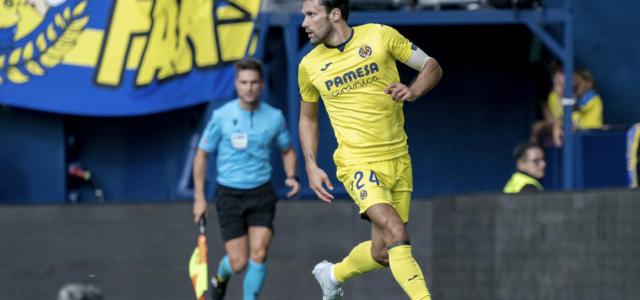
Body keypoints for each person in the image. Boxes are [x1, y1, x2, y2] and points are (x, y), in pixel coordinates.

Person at [298, 0, 443, 299]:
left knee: (383, 252)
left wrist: (413, 90)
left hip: (399, 159)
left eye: (311, 15)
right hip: (357, 164)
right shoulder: (308, 65)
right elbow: (307, 118)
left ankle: (332, 274)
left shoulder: (380, 36)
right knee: (397, 232)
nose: (305, 23)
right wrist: (311, 165)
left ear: (334, 14)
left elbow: (432, 66)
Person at [192, 58, 301, 300]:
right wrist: (199, 198)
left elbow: (287, 150)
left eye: (253, 82)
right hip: (229, 195)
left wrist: (292, 176)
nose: (249, 87)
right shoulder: (221, 116)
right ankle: (222, 271)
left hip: (261, 193)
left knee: (259, 254)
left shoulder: (275, 117)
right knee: (239, 263)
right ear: (236, 84)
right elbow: (201, 155)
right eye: (244, 82)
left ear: (262, 84)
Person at [552, 67, 603, 147]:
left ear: (589, 83)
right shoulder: (574, 99)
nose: (574, 84)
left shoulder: (593, 97)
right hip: (579, 139)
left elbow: (575, 108)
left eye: (577, 81)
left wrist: (562, 93)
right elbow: (560, 114)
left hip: (592, 137)